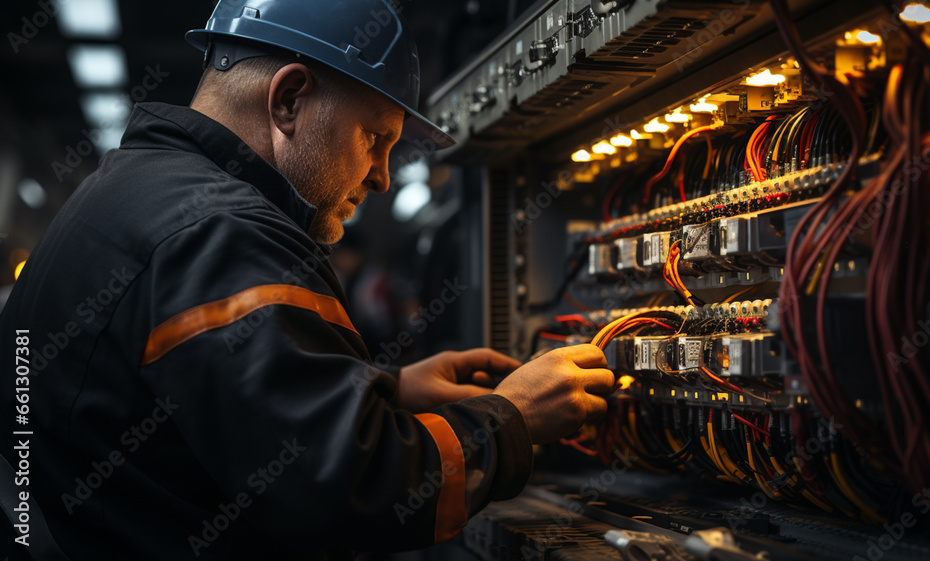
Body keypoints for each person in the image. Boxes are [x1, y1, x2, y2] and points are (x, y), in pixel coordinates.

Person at [0, 1, 614, 560]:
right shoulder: (224, 232)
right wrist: (511, 417)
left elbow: (204, 409)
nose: (382, 179)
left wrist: (387, 392)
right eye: (375, 139)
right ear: (289, 100)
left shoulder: (138, 190)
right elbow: (344, 490)